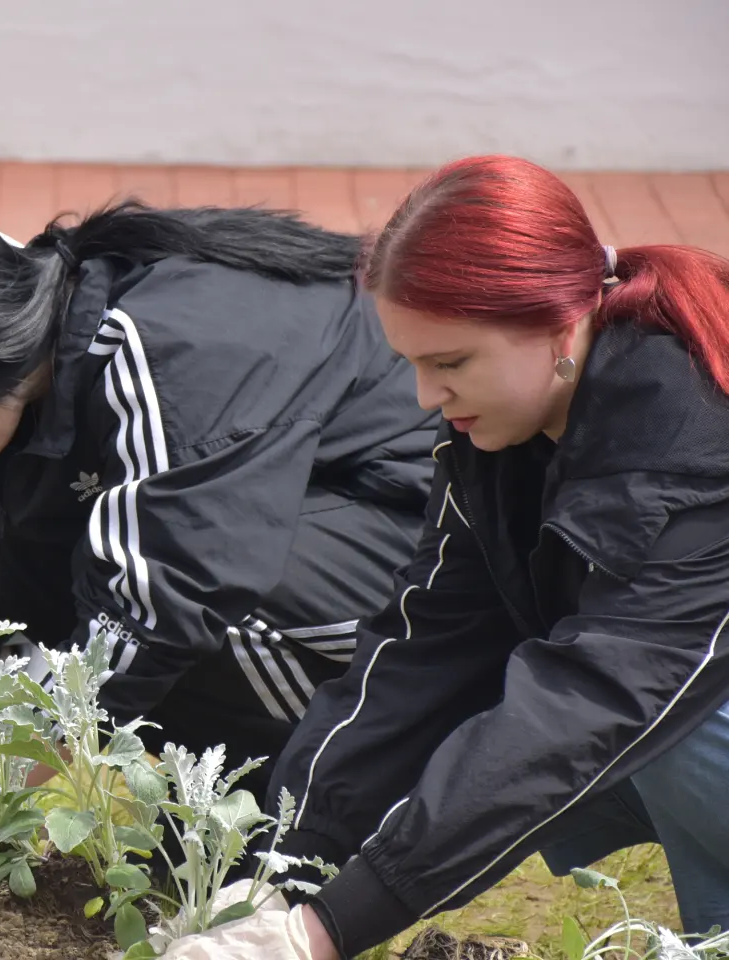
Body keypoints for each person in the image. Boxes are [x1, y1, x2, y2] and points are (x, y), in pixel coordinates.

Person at [233, 155, 729, 960]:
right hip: (654, 712)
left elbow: (594, 699)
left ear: (558, 324)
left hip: (687, 718)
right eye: (414, 364)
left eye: (451, 363)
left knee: (662, 725)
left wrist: (324, 933)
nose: (427, 398)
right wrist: (286, 869)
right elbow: (424, 644)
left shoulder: (690, 436)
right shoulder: (505, 434)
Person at [0, 200, 439, 793]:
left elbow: (178, 585)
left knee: (189, 599)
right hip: (292, 512)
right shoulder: (22, 366)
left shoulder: (160, 349)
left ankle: (311, 803)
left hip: (419, 555)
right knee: (3, 546)